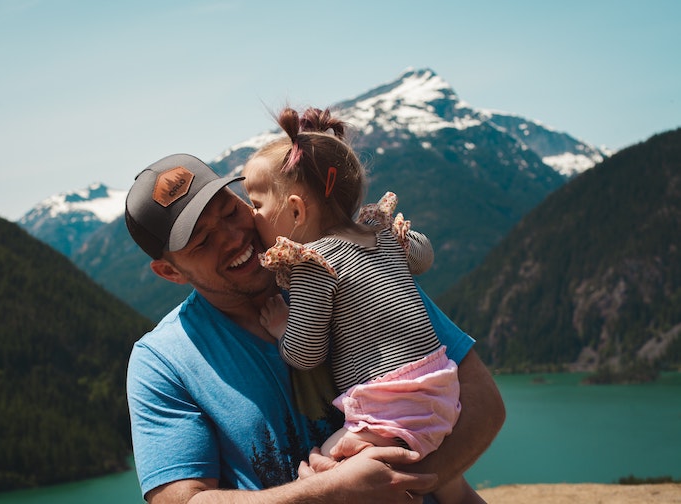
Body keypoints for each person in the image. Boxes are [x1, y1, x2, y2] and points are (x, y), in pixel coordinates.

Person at [124, 152, 505, 503]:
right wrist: (332, 493)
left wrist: (402, 487)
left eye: (231, 211)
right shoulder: (161, 362)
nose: (233, 237)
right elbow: (183, 500)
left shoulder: (345, 260)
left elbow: (483, 401)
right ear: (169, 271)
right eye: (203, 240)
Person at [241, 106, 482, 503]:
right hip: (440, 386)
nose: (252, 216)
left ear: (297, 210)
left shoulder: (313, 263)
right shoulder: (380, 234)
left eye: (256, 204)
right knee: (448, 481)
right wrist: (404, 239)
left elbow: (306, 354)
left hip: (391, 407)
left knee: (326, 467)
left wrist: (283, 328)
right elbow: (423, 258)